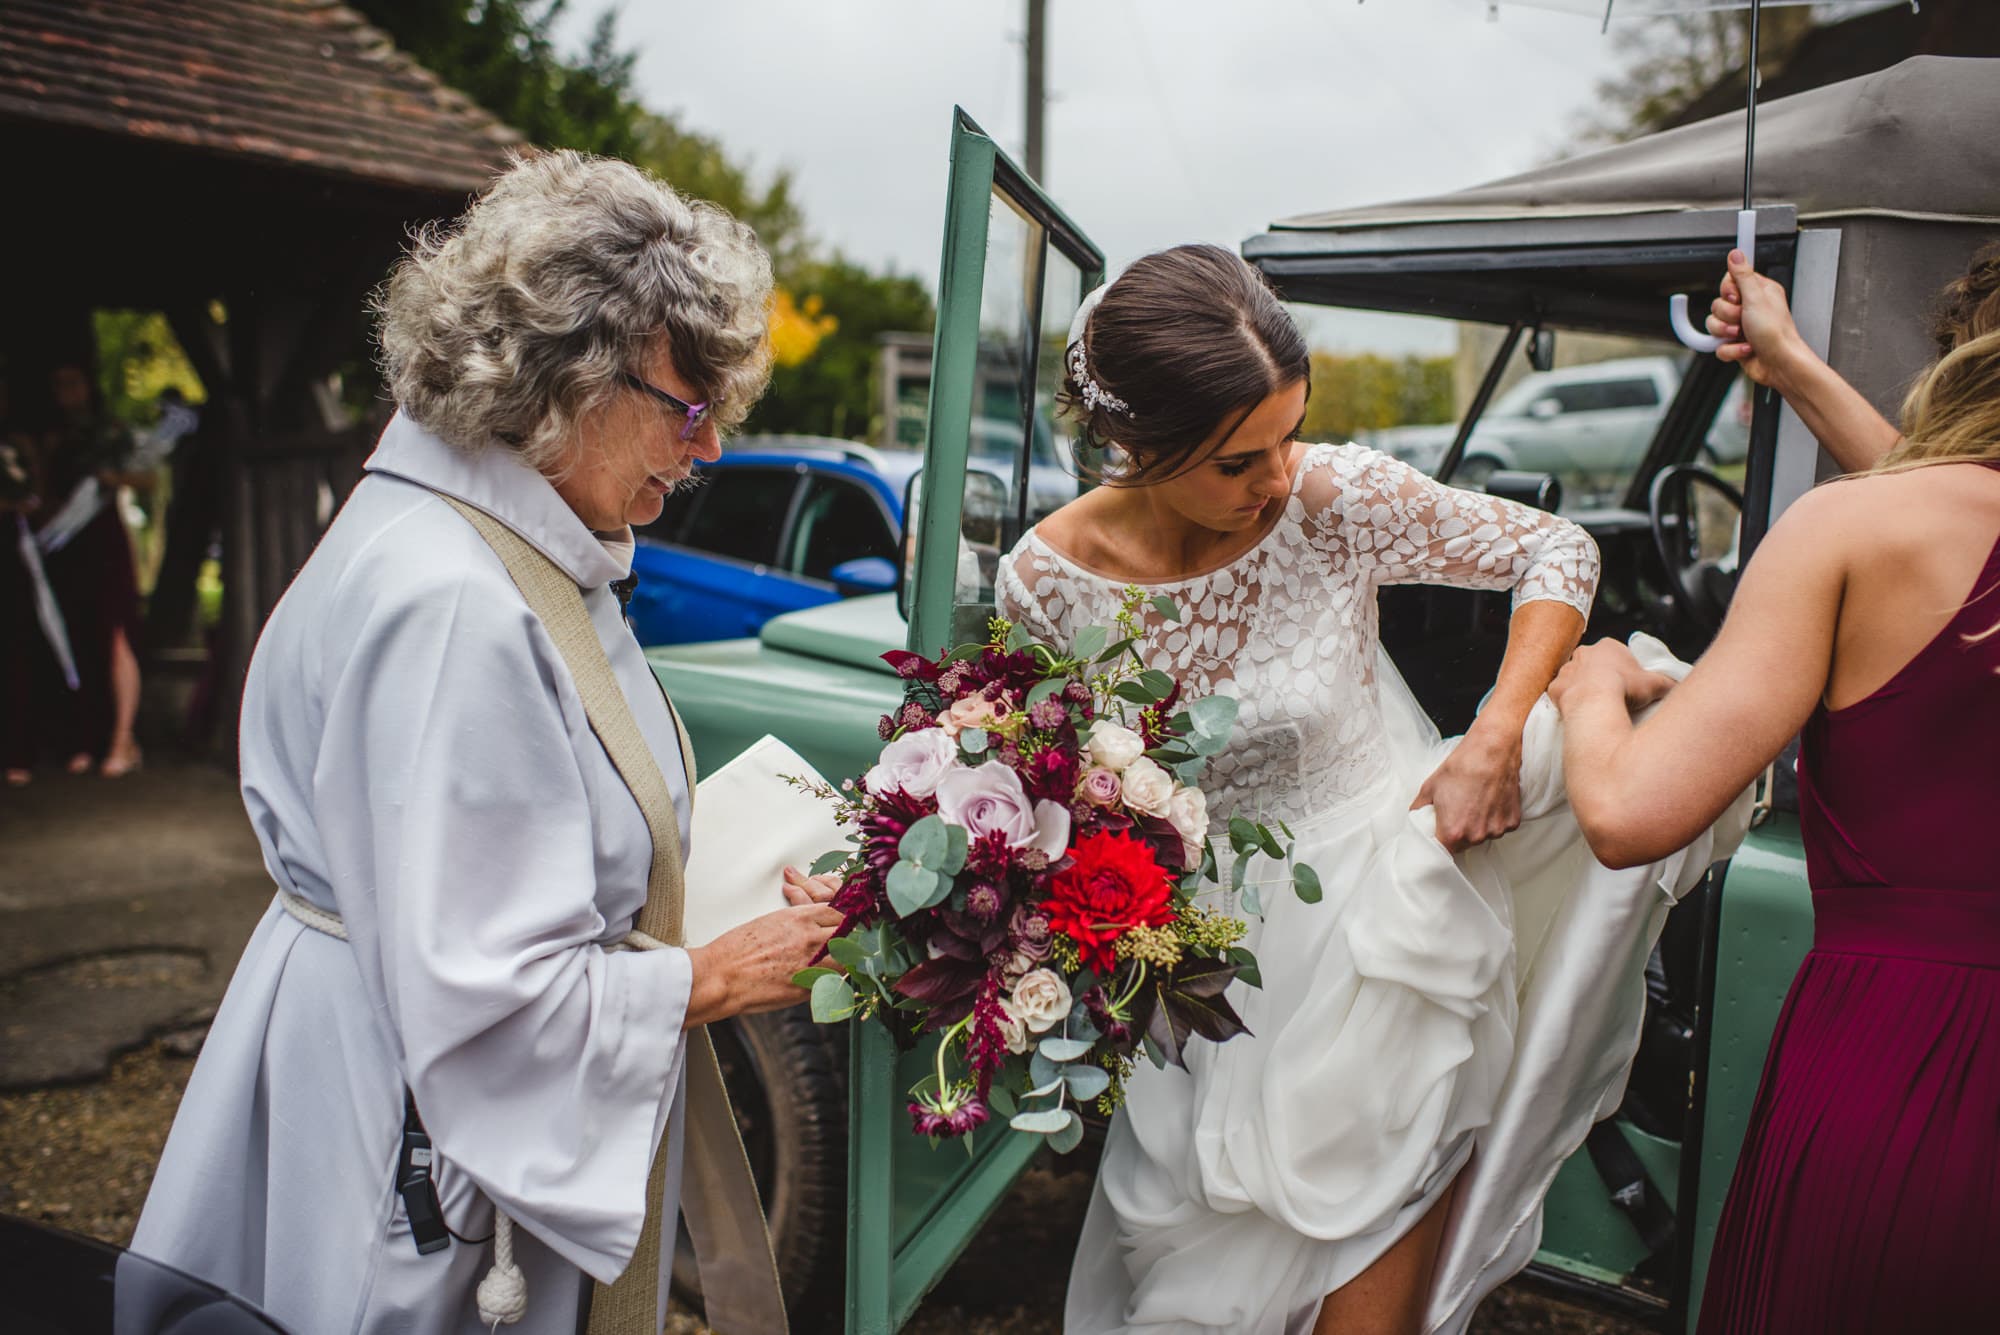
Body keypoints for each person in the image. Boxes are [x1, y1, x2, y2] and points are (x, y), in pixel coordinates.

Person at [131, 151, 840, 1334]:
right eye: (691, 408)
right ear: (567, 379)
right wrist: (715, 973)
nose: (710, 449)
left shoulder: (495, 536)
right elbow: (483, 997)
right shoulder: (454, 599)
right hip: (405, 1127)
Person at [1002, 244, 1744, 1335]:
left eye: (1286, 435)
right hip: (1206, 971)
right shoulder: (1042, 585)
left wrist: (1493, 733)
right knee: (1193, 1291)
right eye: (1233, 461)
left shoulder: (1327, 498)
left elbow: (1556, 551)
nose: (1273, 478)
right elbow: (1048, 793)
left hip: (1388, 913)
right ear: (1130, 444)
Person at [1551, 244, 2000, 1335]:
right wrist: (1791, 364)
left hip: (1900, 1065)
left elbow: (1624, 814)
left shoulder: (1853, 531)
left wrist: (1589, 684)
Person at [29, 361, 148, 777]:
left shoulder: (112, 431)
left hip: (106, 541)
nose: (67, 392)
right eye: (59, 384)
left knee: (115, 634)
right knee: (75, 636)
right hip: (68, 547)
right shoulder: (51, 440)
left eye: (73, 382)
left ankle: (122, 737)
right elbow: (41, 493)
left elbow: (147, 477)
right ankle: (83, 737)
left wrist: (109, 476)